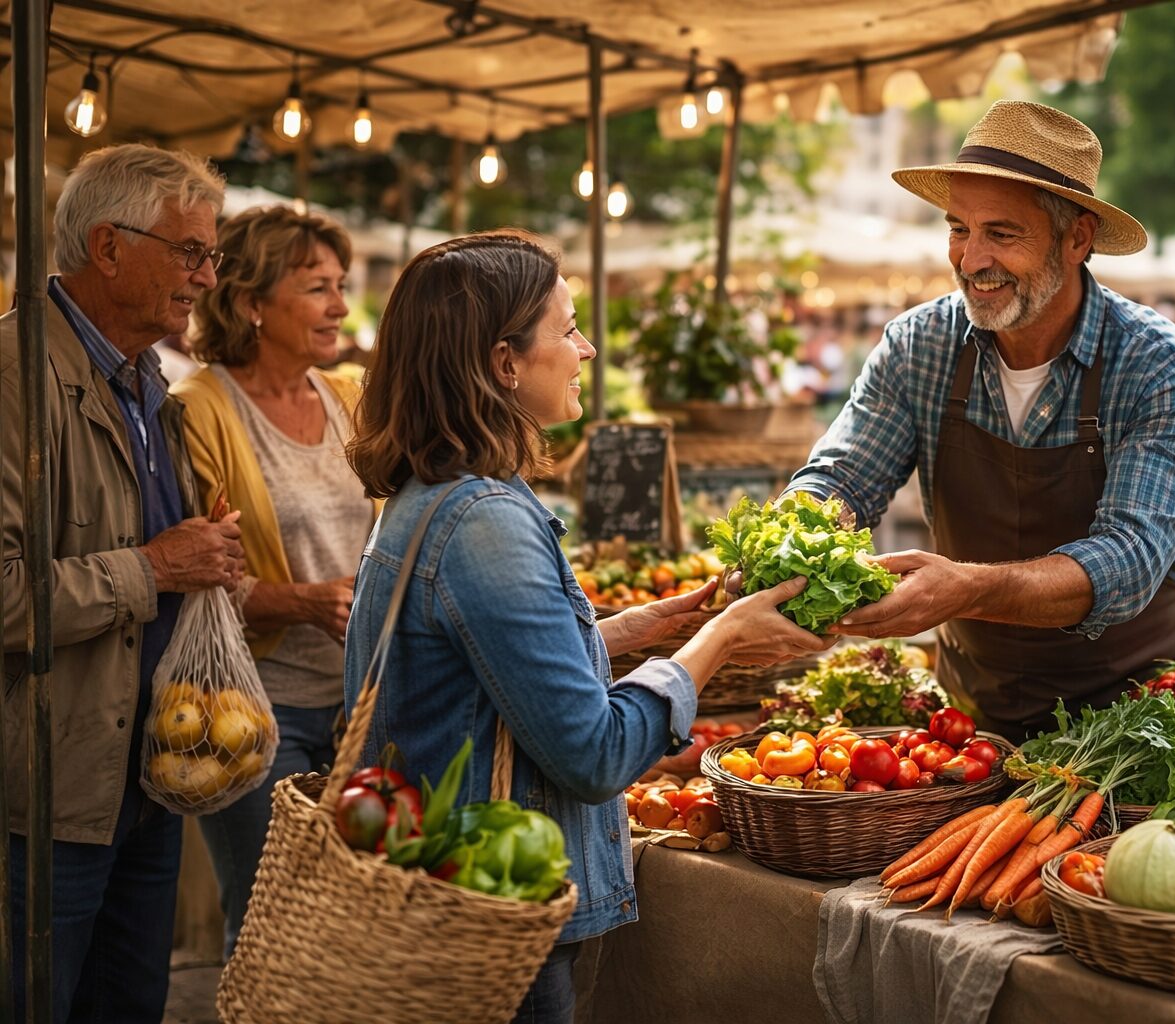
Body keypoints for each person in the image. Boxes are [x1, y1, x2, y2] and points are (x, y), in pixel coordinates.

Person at [342, 230, 830, 1022]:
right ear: (504, 363)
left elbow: (488, 671)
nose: (588, 348)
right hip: (499, 910)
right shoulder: (485, 521)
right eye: (567, 329)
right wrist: (719, 641)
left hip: (450, 888)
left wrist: (642, 627)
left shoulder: (432, 495)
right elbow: (594, 752)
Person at [784, 101, 1175, 740]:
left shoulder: (1162, 367)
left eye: (1002, 234)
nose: (970, 259)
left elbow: (1130, 558)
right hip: (974, 712)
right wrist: (788, 539)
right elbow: (844, 477)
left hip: (1139, 719)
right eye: (959, 228)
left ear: (1078, 239)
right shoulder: (919, 344)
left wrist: (967, 590)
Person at [0, 144, 243, 1021]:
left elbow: (159, 554)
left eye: (210, 256)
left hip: (146, 781)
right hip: (44, 798)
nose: (206, 279)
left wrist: (207, 555)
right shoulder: (14, 381)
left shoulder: (150, 386)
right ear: (108, 247)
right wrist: (154, 568)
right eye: (191, 252)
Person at [175, 206, 375, 959]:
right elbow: (187, 568)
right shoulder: (198, 409)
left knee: (355, 919)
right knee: (275, 921)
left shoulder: (350, 398)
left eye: (340, 285)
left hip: (359, 705)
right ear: (252, 302)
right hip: (251, 712)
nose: (339, 306)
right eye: (317, 287)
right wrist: (294, 600)